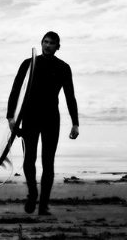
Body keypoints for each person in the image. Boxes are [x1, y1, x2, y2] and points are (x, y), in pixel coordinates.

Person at [6, 31, 79, 215]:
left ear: (58, 46)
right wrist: (10, 116)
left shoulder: (63, 67)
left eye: (52, 43)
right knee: (29, 159)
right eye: (45, 42)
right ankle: (32, 193)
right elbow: (15, 89)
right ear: (41, 43)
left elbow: (70, 96)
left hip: (51, 119)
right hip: (30, 117)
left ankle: (43, 205)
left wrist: (75, 123)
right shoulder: (29, 63)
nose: (47, 45)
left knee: (48, 162)